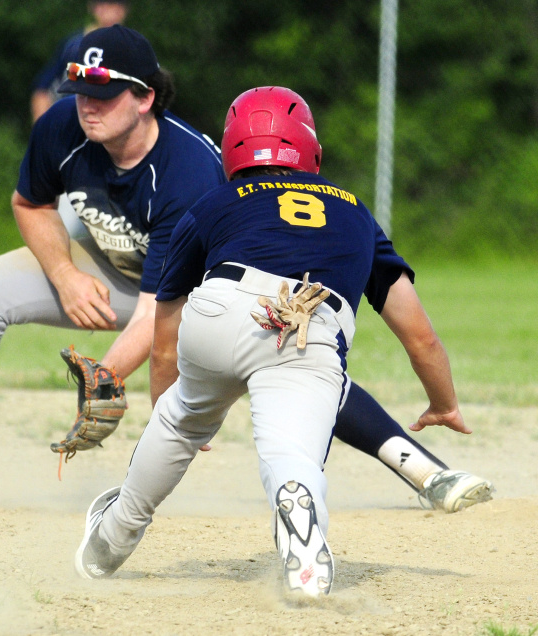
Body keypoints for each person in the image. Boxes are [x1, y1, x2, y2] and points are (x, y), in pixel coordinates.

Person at [0, 27, 492, 515]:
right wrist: (65, 276)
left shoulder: (189, 175)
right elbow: (30, 204)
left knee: (294, 363)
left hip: (203, 294)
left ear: (146, 98)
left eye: (105, 94)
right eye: (81, 91)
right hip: (109, 271)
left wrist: (109, 376)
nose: (88, 106)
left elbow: (159, 313)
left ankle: (426, 470)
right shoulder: (61, 126)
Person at [73, 86, 473, 597]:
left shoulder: (214, 201)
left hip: (220, 304)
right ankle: (298, 507)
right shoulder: (354, 212)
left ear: (231, 152)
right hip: (305, 326)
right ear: (312, 151)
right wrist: (444, 402)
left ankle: (113, 535)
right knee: (291, 454)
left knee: (179, 420)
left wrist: (168, 403)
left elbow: (165, 335)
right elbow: (421, 337)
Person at [30, 0, 130, 123]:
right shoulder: (74, 46)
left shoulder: (131, 49)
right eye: (104, 5)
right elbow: (42, 91)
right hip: (70, 123)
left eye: (116, 6)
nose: (110, 13)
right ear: (92, 7)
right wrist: (42, 131)